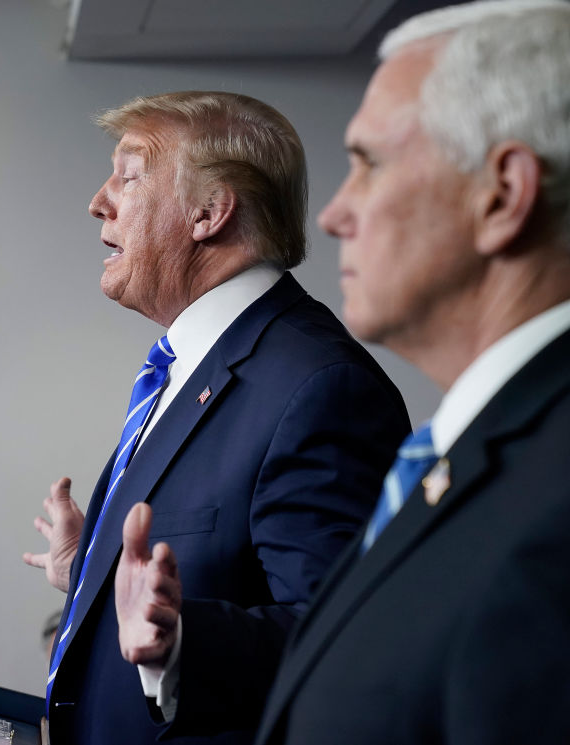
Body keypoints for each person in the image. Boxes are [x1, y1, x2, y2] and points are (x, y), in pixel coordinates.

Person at [22, 90, 410, 745]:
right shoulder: (190, 362)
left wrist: (183, 641)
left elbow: (347, 640)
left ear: (209, 211)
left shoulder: (321, 386)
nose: (99, 199)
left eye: (129, 174)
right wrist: (92, 566)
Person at [253, 2, 570, 743]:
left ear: (501, 195)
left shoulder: (555, 501)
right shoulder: (469, 456)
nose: (332, 213)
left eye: (368, 163)